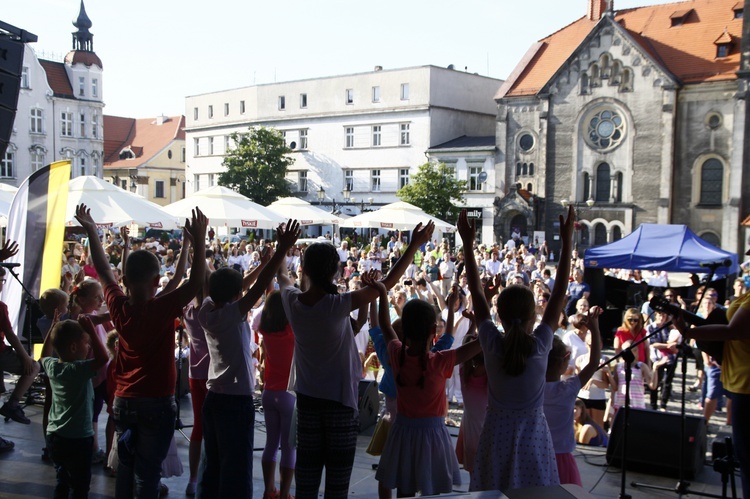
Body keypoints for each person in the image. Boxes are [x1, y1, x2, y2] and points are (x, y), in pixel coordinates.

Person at [278, 221, 435, 498]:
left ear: (306, 270)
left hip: (307, 401)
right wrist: (413, 245)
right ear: (334, 271)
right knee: (337, 485)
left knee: (306, 480)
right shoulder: (337, 305)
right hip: (339, 402)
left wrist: (282, 247)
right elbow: (388, 283)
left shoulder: (293, 302)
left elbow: (281, 276)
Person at [75, 204, 208, 499]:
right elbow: (196, 281)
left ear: (125, 281)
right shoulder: (161, 308)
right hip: (156, 403)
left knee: (126, 467)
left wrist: (92, 232)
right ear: (156, 282)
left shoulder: (118, 305)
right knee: (147, 475)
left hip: (123, 401)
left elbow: (104, 268)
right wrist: (198, 240)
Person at [460, 206, 575, 492]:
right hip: (533, 438)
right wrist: (567, 240)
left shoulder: (491, 343)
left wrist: (467, 243)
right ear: (534, 316)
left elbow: (475, 291)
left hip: (495, 435)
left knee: (492, 492)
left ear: (498, 316)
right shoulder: (540, 346)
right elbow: (559, 291)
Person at [198, 220, 300, 498]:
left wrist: (262, 264)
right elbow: (253, 290)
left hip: (213, 398)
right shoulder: (233, 314)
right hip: (235, 399)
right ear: (236, 296)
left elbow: (237, 288)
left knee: (214, 463)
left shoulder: (206, 310)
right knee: (238, 465)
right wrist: (281, 249)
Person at [366, 275, 482, 496]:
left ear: (405, 330)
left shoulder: (396, 356)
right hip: (433, 436)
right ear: (432, 332)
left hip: (403, 432)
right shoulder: (440, 361)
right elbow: (478, 342)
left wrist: (381, 292)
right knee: (433, 490)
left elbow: (383, 325)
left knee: (404, 488)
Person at [676, 251, 750, 496]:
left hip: (747, 387)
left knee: (748, 458)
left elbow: (732, 330)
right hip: (739, 381)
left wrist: (689, 332)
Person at [41, 315, 109, 498]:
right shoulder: (78, 369)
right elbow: (103, 358)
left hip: (55, 436)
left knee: (62, 480)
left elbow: (44, 355)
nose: (89, 347)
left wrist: (53, 328)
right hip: (78, 438)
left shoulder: (52, 366)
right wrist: (92, 331)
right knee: (80, 486)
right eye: (86, 343)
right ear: (73, 347)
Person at [544, 306, 603, 486]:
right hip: (562, 458)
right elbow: (593, 363)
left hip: (535, 454)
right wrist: (595, 328)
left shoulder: (532, 388)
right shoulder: (569, 389)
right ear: (566, 359)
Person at [259, 289, 297, 499]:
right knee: (289, 447)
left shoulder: (265, 332)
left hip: (268, 393)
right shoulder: (292, 333)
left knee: (271, 444)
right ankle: (284, 494)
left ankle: (268, 490)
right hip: (288, 396)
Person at [0, 239, 42, 425]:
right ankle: (13, 403)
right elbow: (10, 334)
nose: (3, 284)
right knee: (33, 367)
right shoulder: (1, 307)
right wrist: (25, 356)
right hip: (1, 353)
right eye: (2, 280)